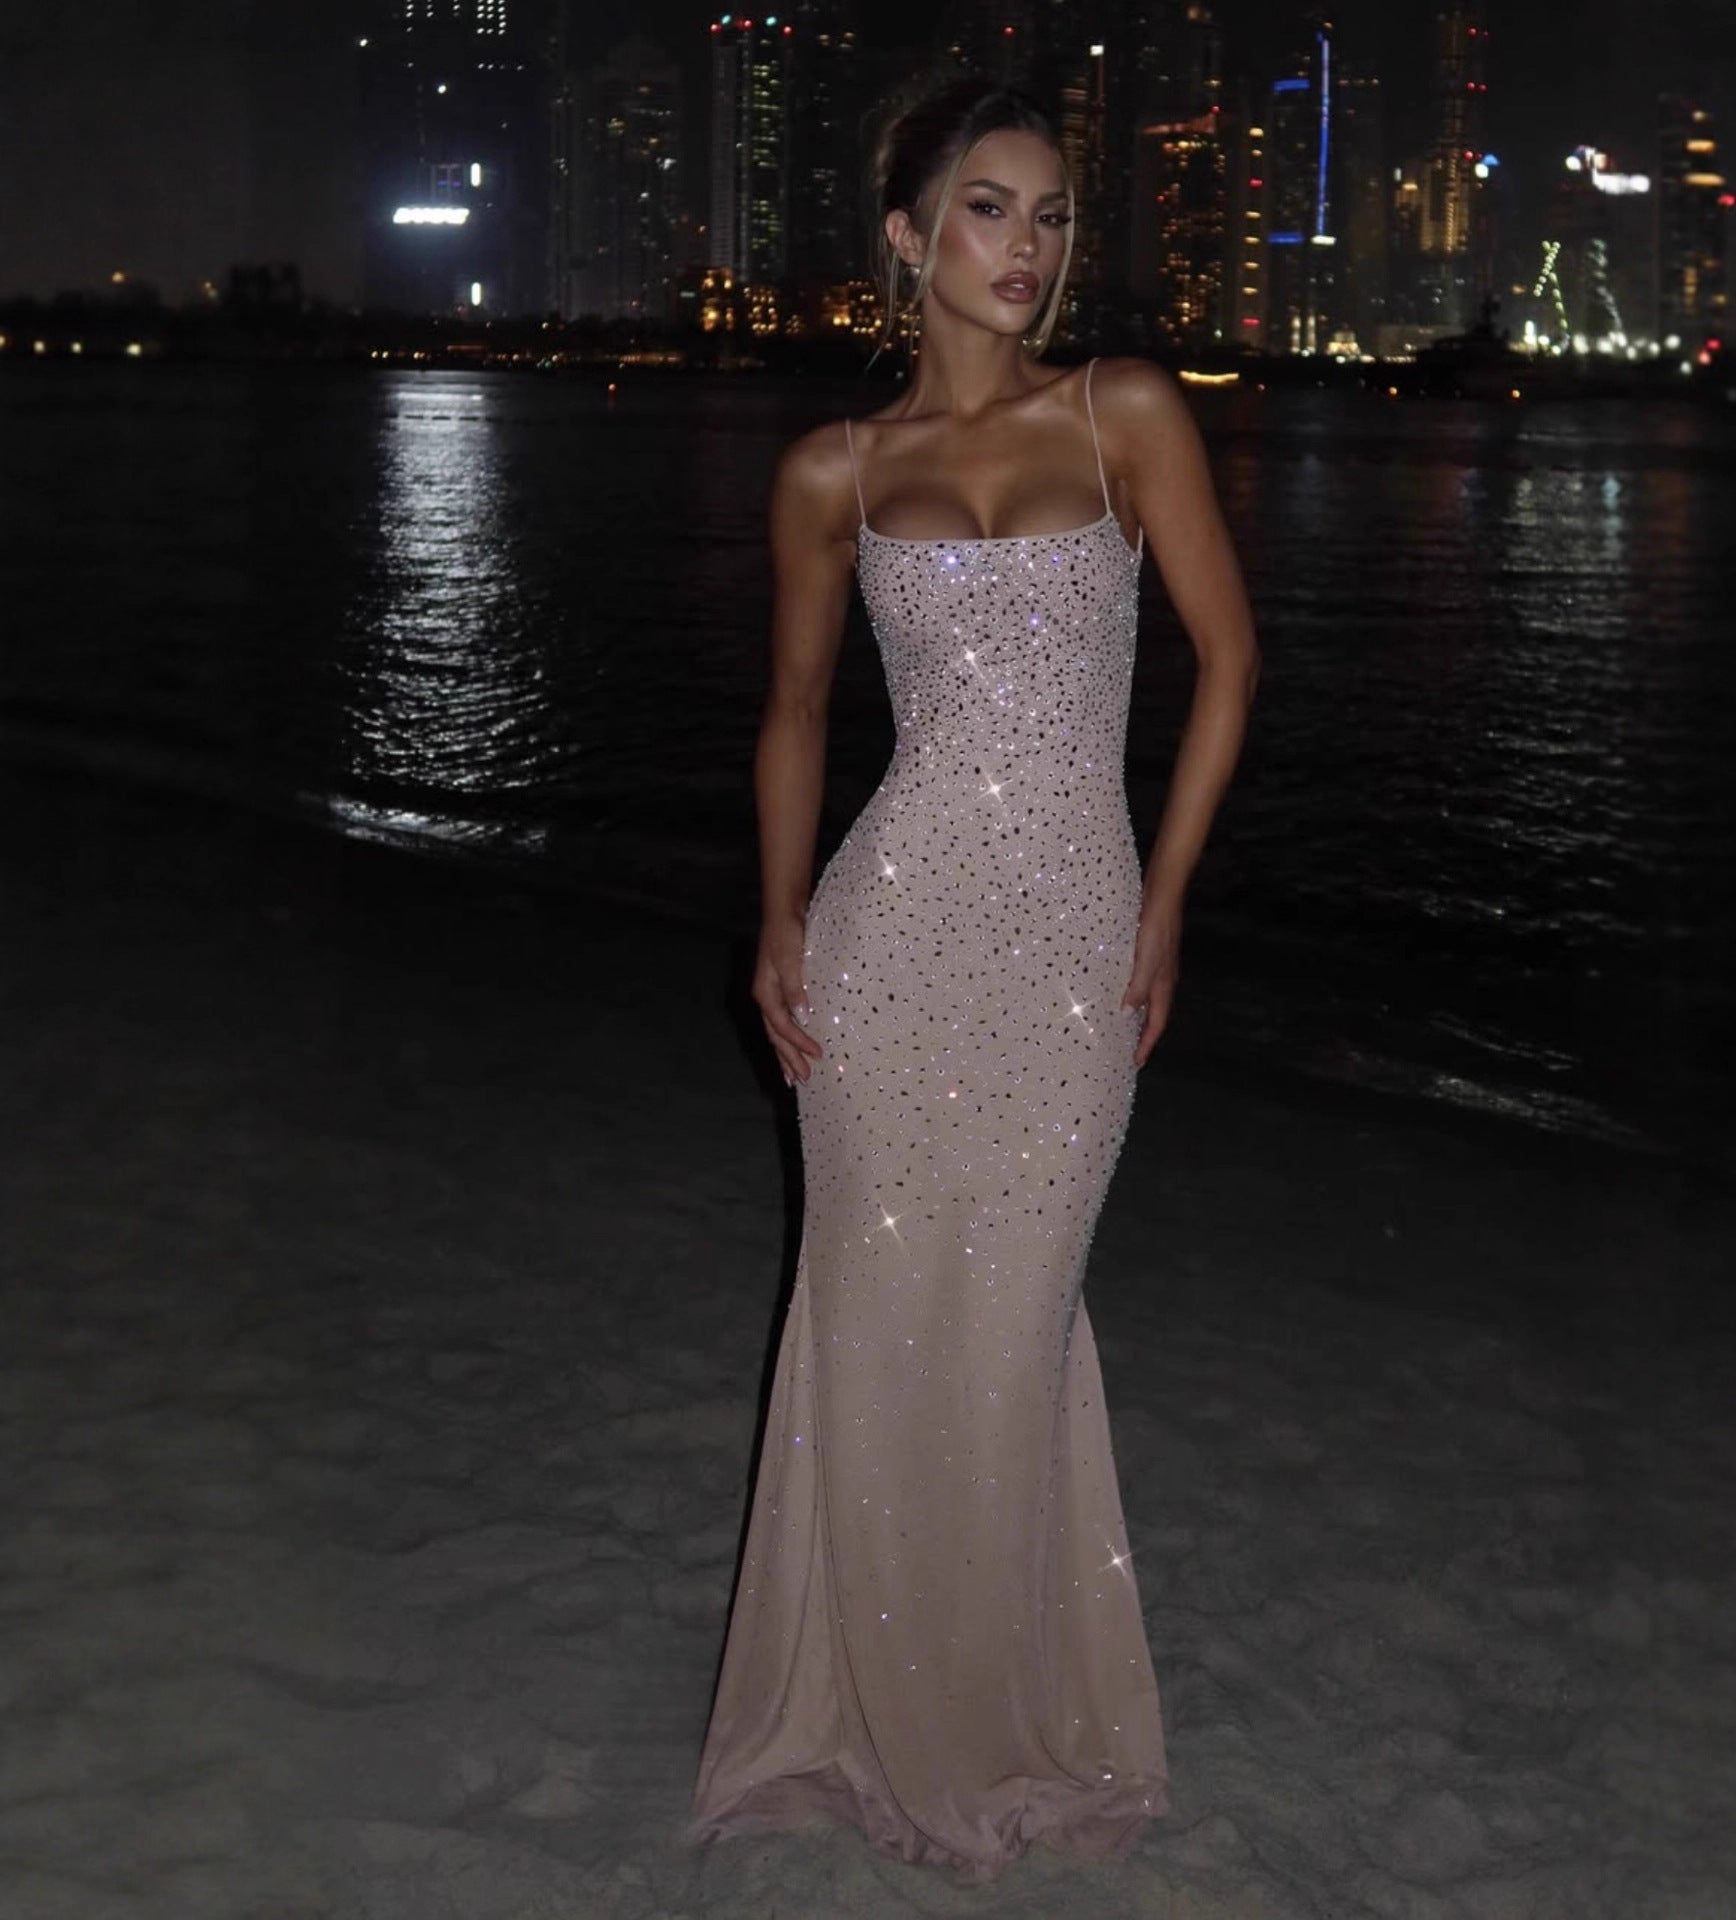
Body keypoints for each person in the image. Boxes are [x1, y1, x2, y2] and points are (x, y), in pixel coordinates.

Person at [686, 75, 1259, 1881]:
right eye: (995, 210)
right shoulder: (833, 471)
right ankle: (855, 1708)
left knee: (1009, 1322)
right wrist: (780, 920)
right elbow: (790, 716)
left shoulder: (1125, 415)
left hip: (1071, 939)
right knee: (869, 1312)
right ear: (909, 237)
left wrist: (1163, 901)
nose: (1034, 248)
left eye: (1056, 216)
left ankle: (996, 1706)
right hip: (886, 930)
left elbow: (1232, 665)